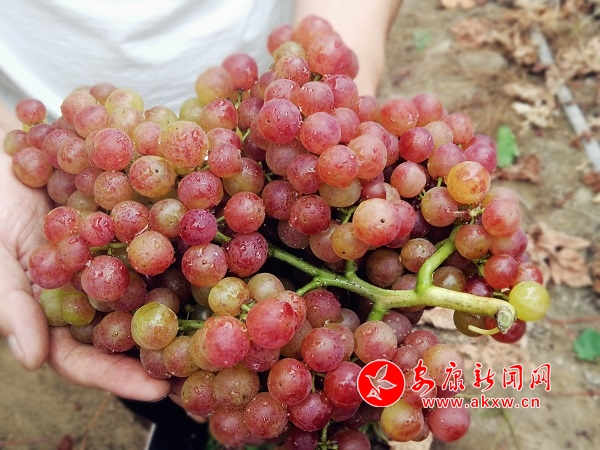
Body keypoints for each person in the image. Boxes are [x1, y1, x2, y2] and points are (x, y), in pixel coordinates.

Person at [0, 0, 402, 446]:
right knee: (157, 381)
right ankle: (179, 427)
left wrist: (336, 117)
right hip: (45, 118)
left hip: (257, 119)